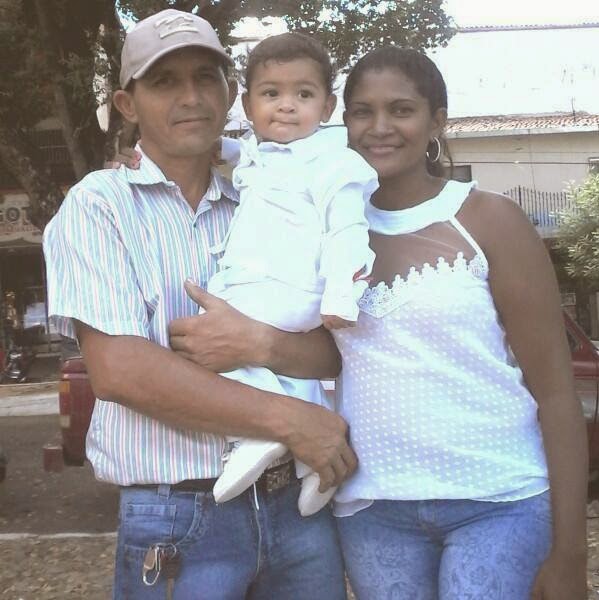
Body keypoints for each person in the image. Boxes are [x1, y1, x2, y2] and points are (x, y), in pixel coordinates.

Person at [43, 9, 355, 600]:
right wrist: (291, 420)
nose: (190, 97)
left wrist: (259, 344)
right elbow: (121, 371)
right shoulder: (100, 205)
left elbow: (336, 348)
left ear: (231, 92)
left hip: (296, 506)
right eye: (164, 81)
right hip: (178, 515)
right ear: (127, 104)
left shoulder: (269, 189)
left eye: (205, 77)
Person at [330, 47, 588, 599]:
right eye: (362, 112)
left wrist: (571, 553)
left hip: (498, 499)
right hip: (373, 505)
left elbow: (556, 392)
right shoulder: (328, 227)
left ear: (436, 122)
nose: (380, 127)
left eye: (401, 109)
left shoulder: (488, 219)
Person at [205, 32, 378, 515]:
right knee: (280, 363)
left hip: (290, 286)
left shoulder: (335, 163)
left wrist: (342, 294)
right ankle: (317, 464)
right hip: (271, 286)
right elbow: (241, 156)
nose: (286, 106)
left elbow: (348, 229)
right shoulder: (264, 152)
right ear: (248, 105)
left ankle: (256, 435)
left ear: (327, 106)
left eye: (303, 94)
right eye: (271, 93)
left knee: (209, 333)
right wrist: (219, 149)